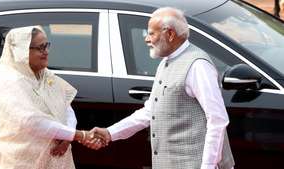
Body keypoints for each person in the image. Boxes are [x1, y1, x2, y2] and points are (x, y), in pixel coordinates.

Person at [87, 7, 235, 169]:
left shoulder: (198, 65)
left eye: (151, 33)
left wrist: (207, 166)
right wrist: (110, 133)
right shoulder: (166, 62)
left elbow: (217, 120)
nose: (147, 39)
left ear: (170, 34)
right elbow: (150, 111)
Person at [0, 26, 102, 169]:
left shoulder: (45, 74)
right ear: (22, 51)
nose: (46, 52)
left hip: (56, 157)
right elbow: (31, 121)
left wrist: (68, 137)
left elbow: (66, 107)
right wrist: (79, 135)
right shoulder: (12, 80)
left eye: (46, 45)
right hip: (21, 160)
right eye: (40, 48)